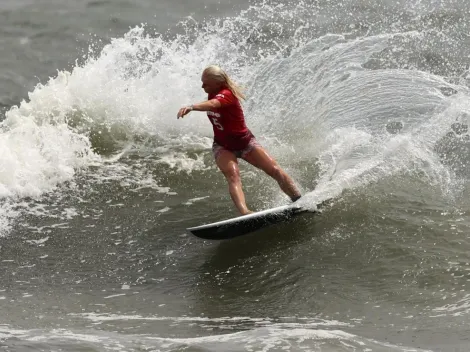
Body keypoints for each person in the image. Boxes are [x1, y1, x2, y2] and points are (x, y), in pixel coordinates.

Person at [177, 65, 301, 215]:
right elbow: (212, 103)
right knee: (233, 176)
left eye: (206, 83)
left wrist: (192, 107)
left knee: (274, 170)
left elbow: (214, 104)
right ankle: (245, 212)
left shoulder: (226, 94)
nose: (202, 86)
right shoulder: (212, 93)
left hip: (245, 143)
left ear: (218, 83)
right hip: (223, 146)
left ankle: (298, 200)